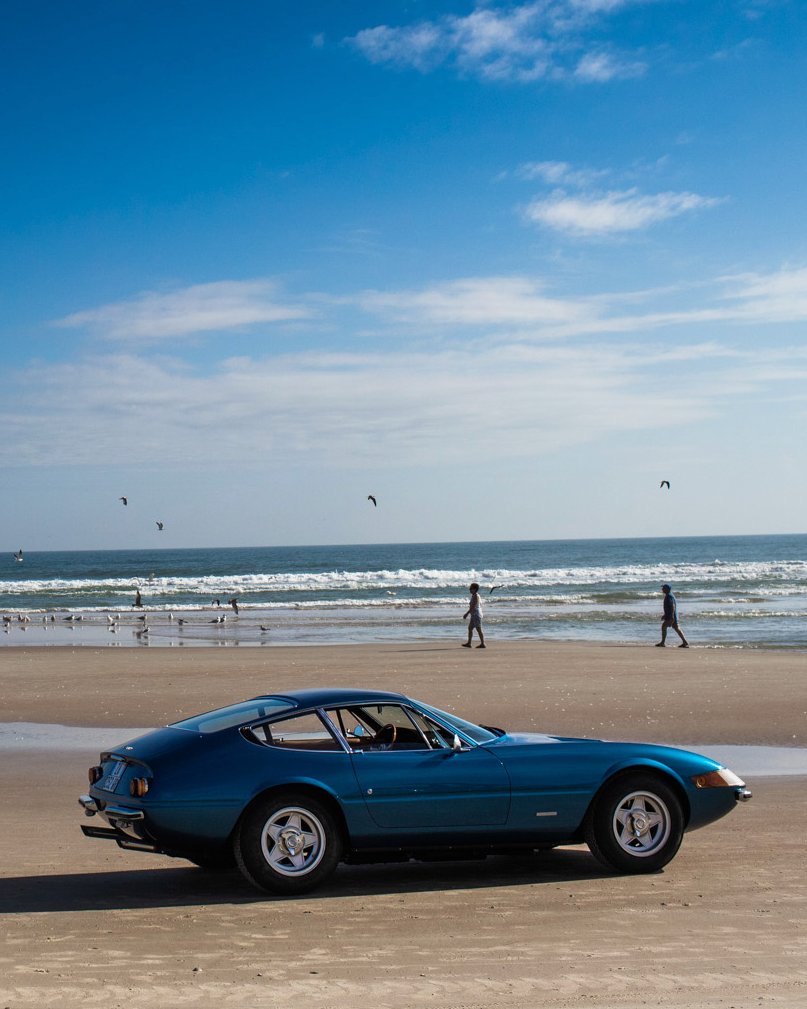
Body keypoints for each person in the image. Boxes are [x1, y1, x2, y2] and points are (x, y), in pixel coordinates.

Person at [656, 583, 689, 647]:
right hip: (671, 616)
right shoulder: (669, 595)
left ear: (667, 589)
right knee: (676, 628)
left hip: (671, 616)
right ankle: (685, 642)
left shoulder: (669, 596)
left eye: (663, 588)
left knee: (664, 626)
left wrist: (672, 617)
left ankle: (662, 643)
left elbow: (672, 606)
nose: (662, 589)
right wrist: (665, 615)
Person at [462, 582, 486, 648]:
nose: (470, 590)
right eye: (470, 588)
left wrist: (466, 614)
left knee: (479, 629)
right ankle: (469, 643)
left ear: (475, 589)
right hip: (474, 615)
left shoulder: (476, 596)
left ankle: (483, 643)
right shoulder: (474, 595)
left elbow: (473, 607)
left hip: (476, 615)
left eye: (471, 588)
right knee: (470, 628)